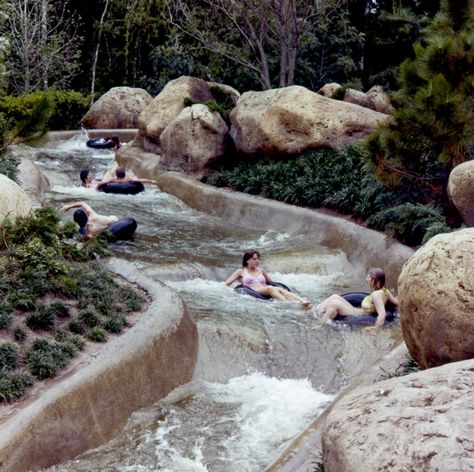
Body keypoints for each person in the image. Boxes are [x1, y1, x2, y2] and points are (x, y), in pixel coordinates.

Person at [224, 249, 311, 308]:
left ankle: (302, 300)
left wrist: (277, 287)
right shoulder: (241, 272)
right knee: (270, 289)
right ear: (247, 260)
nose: (257, 261)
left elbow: (271, 282)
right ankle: (290, 305)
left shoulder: (261, 270)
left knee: (279, 289)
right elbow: (226, 283)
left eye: (258, 259)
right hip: (254, 290)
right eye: (254, 259)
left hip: (265, 288)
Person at [316, 268, 398, 327]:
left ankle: (320, 323)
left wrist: (375, 328)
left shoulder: (376, 295)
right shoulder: (385, 291)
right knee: (335, 296)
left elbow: (382, 314)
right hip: (357, 310)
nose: (366, 279)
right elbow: (396, 302)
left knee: (334, 304)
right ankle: (315, 311)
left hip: (357, 314)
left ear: (375, 280)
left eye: (369, 277)